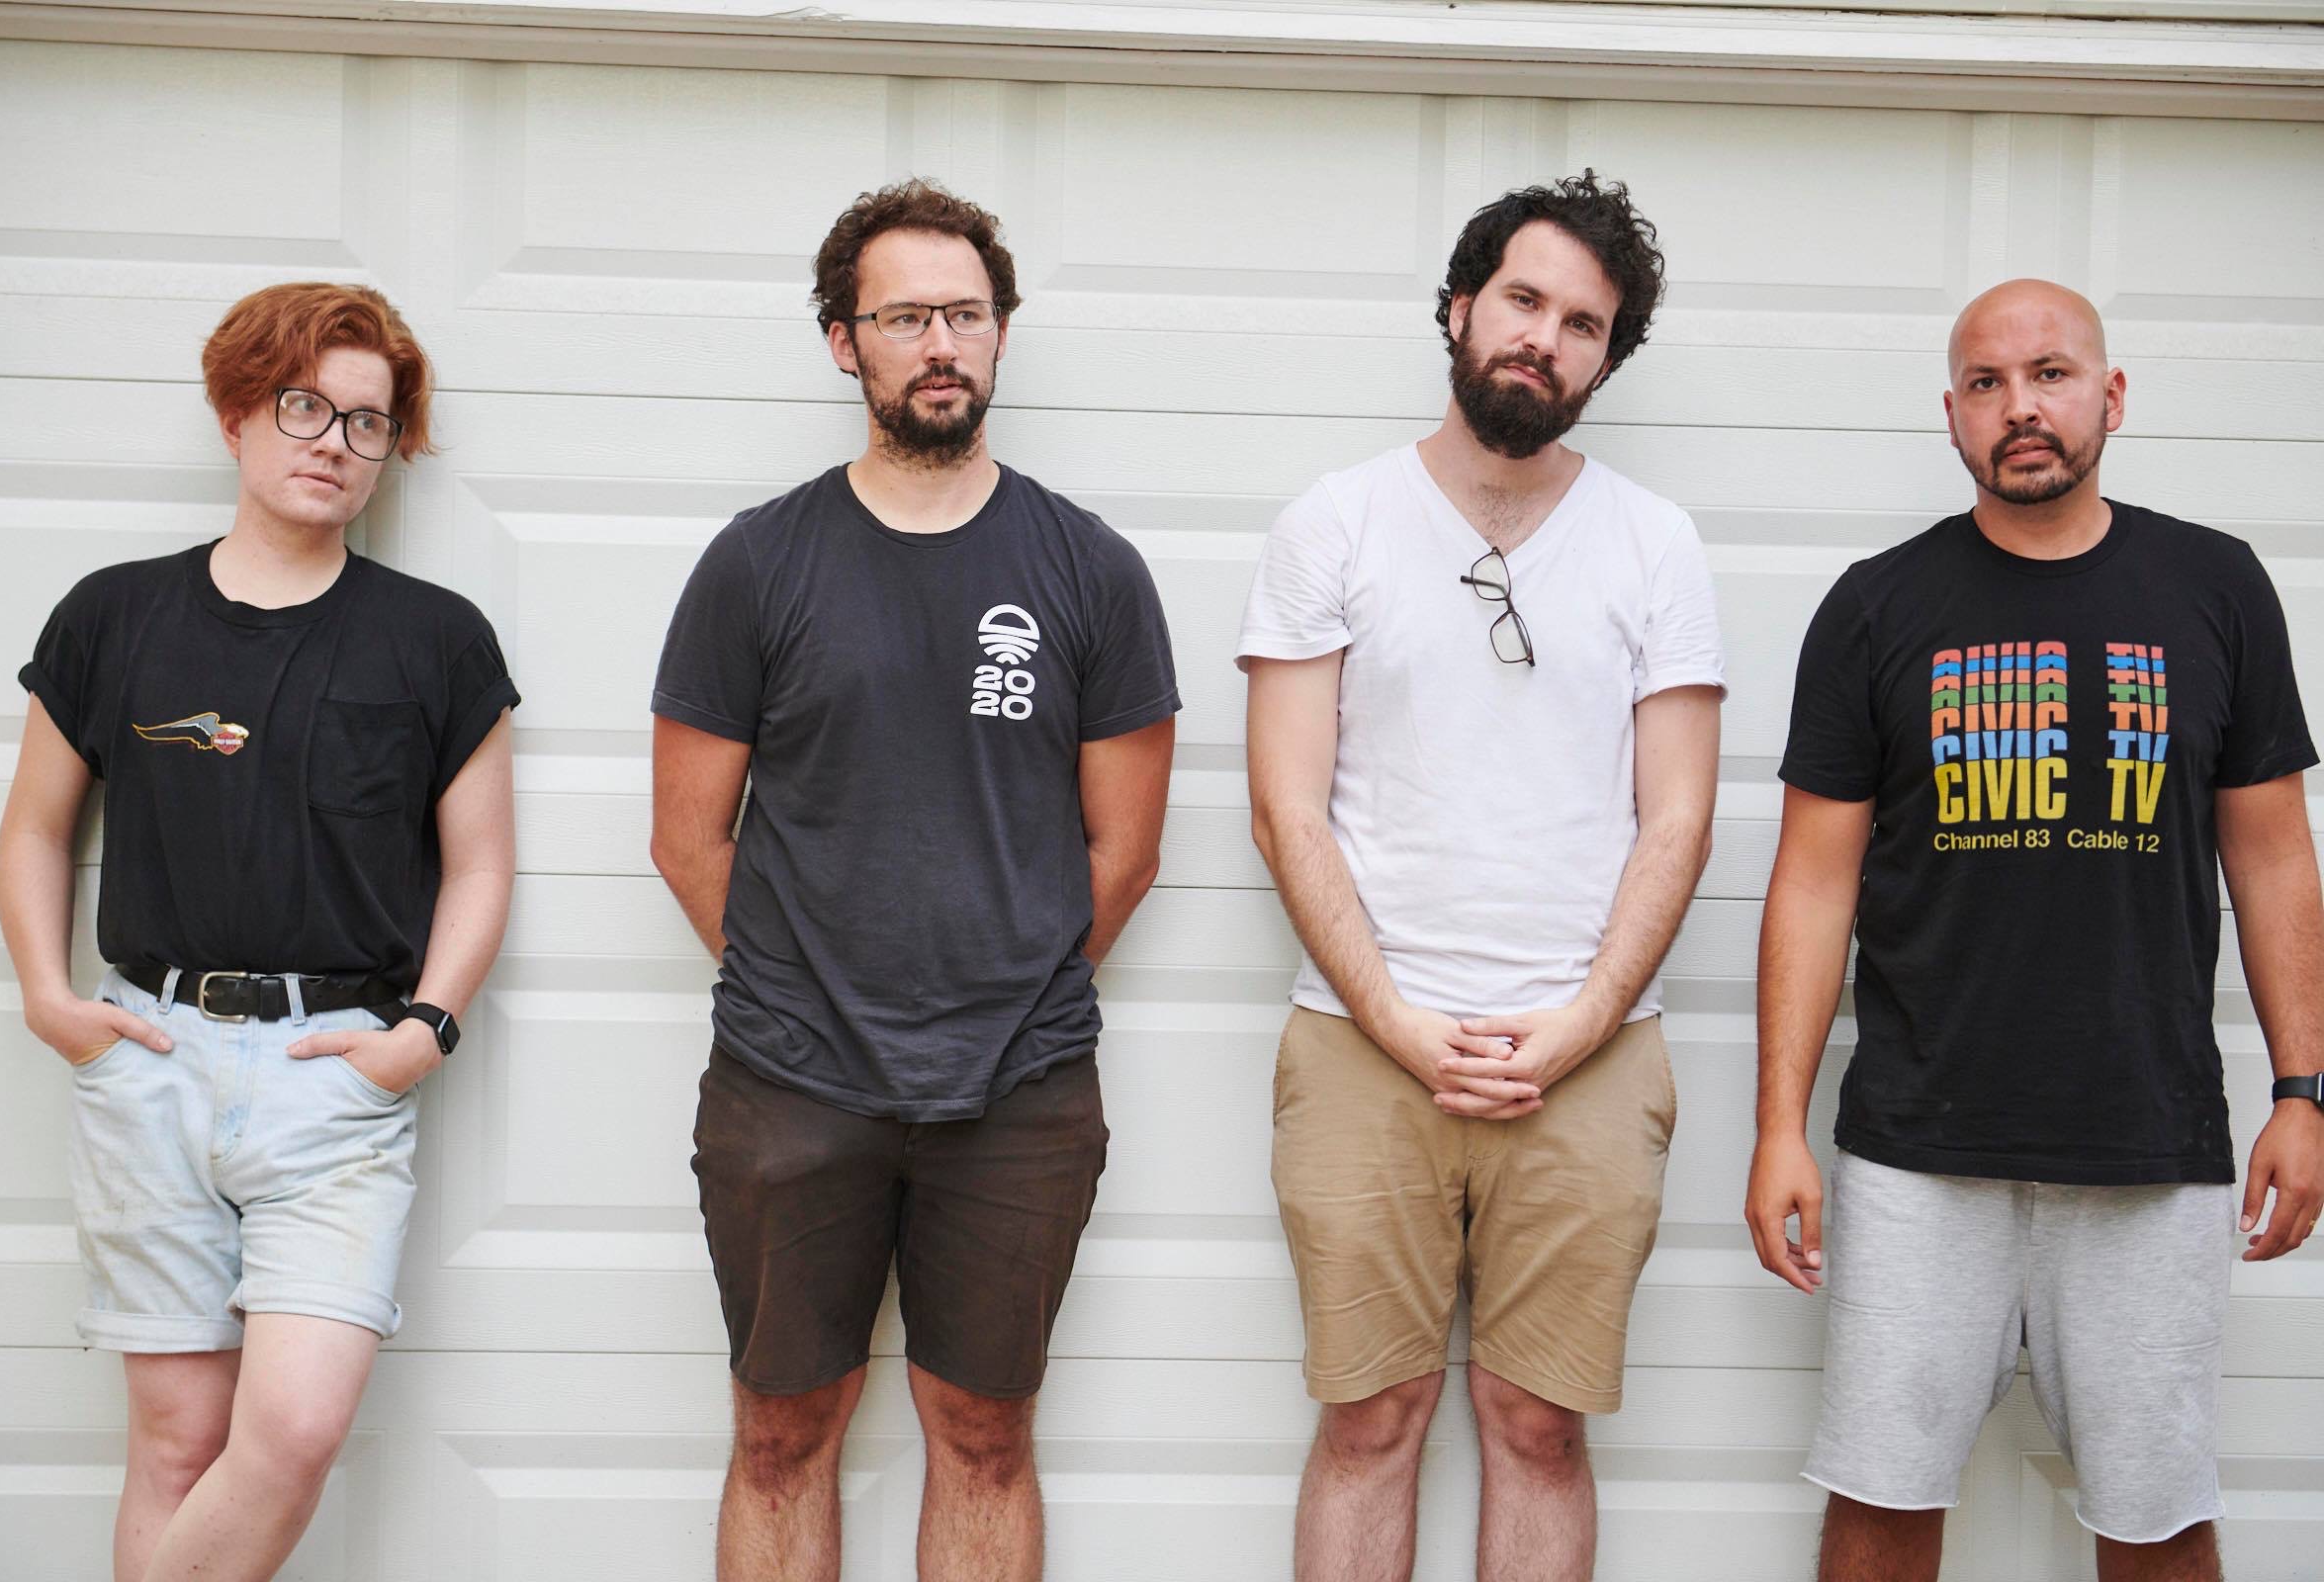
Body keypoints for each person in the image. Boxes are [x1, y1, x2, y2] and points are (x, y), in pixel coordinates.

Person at [1746, 278, 2324, 1582]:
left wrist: (2305, 1091)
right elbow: (1812, 885)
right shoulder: (1876, 606)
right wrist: (1780, 1126)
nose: (2022, 407)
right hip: (1916, 1151)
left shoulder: (2217, 586)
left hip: (2147, 1147)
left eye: (2051, 375)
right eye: (1988, 383)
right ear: (1953, 414)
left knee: (2157, 1521)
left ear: (2110, 396)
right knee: (1878, 1509)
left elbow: (2274, 857)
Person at [649, 178, 1180, 1582]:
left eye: (967, 314)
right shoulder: (757, 564)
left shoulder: (1092, 570)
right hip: (788, 1081)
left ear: (1001, 331)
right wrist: (803, 992)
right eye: (904, 318)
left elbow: (1126, 850)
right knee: (781, 1434)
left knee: (986, 1434)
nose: (941, 343)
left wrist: (1009, 991)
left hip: (1019, 1089)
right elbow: (687, 838)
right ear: (844, 341)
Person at [1239, 172, 1724, 1582]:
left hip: (1588, 1053)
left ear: (1606, 360)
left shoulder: (1654, 542)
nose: (1543, 340)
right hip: (1360, 1044)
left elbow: (1678, 821)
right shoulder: (1335, 521)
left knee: (1538, 1428)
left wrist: (1579, 1025)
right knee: (1368, 1421)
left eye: (1584, 325)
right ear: (1460, 306)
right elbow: (1285, 807)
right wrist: (1397, 1021)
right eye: (1523, 300)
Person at [0, 281, 518, 1582]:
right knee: (177, 1444)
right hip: (149, 1062)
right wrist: (50, 999)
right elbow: (37, 829)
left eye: (367, 422)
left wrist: (425, 1029)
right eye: (304, 407)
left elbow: (481, 861)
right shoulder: (114, 616)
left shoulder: (436, 639)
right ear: (235, 415)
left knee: (291, 1434)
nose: (335, 442)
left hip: (333, 1077)